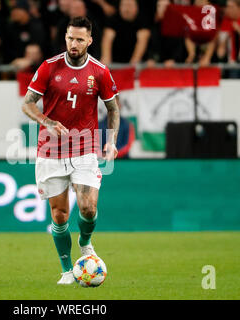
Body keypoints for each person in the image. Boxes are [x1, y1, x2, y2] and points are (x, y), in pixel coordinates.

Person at [21, 17, 120, 284]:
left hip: (85, 149)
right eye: (69, 38)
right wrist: (47, 122)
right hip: (50, 151)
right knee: (60, 214)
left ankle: (85, 243)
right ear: (65, 37)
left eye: (79, 39)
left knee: (88, 208)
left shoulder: (99, 71)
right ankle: (67, 270)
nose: (73, 44)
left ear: (89, 41)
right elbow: (27, 103)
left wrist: (110, 141)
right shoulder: (49, 67)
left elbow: (113, 108)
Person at [101, 0, 151, 65]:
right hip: (116, 63)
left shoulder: (143, 21)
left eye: (130, 5)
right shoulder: (113, 20)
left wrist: (133, 63)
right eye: (124, 5)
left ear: (136, 7)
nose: (127, 9)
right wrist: (106, 58)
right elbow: (107, 40)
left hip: (137, 63)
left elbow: (142, 41)